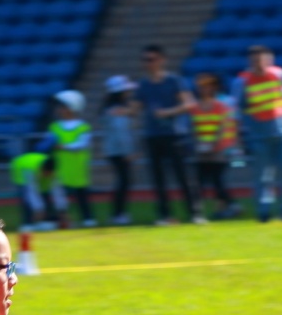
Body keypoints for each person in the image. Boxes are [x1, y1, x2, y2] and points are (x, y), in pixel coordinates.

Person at [135, 44, 201, 226]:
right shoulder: (143, 84)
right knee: (158, 179)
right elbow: (135, 107)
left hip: (175, 135)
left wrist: (168, 112)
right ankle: (165, 215)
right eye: (145, 60)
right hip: (152, 135)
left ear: (161, 60)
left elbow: (189, 104)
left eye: (151, 59)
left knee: (183, 176)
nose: (147, 63)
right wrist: (118, 109)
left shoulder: (174, 81)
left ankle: (195, 213)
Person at [235, 43, 282, 223]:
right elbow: (237, 109)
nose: (259, 64)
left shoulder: (281, 75)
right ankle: (263, 210)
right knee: (262, 175)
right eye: (255, 61)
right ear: (250, 62)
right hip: (258, 135)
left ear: (270, 60)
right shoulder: (242, 81)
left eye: (262, 60)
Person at [191, 72, 241, 220]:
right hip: (207, 148)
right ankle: (222, 209)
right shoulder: (198, 105)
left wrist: (224, 144)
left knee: (217, 180)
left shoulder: (224, 103)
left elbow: (228, 125)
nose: (203, 88)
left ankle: (227, 206)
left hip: (222, 148)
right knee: (212, 181)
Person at [46, 90, 95, 228]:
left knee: (81, 194)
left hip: (77, 166)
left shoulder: (83, 126)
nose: (60, 109)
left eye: (63, 106)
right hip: (61, 166)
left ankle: (87, 218)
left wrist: (63, 146)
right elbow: (49, 142)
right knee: (59, 196)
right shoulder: (55, 127)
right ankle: (63, 220)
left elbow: (83, 144)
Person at [100, 74, 136, 225]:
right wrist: (128, 152)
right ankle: (118, 214)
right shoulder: (116, 110)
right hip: (119, 151)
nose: (129, 93)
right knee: (124, 182)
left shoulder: (109, 109)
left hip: (114, 150)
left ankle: (118, 213)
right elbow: (121, 132)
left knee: (123, 182)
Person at [9, 148, 55, 231]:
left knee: (44, 196)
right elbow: (31, 192)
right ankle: (27, 223)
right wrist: (39, 209)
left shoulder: (53, 167)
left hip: (36, 171)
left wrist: (62, 210)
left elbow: (57, 191)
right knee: (27, 199)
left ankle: (44, 220)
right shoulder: (29, 169)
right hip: (22, 170)